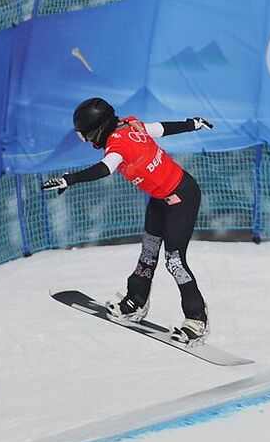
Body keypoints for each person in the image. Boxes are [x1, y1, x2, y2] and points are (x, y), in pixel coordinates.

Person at [42, 97, 214, 343]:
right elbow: (161, 128)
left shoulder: (118, 146)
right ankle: (136, 302)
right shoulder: (131, 124)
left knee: (174, 261)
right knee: (148, 253)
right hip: (160, 198)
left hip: (181, 198)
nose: (87, 141)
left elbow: (104, 169)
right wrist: (191, 124)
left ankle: (197, 319)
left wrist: (69, 179)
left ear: (97, 129)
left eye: (85, 136)